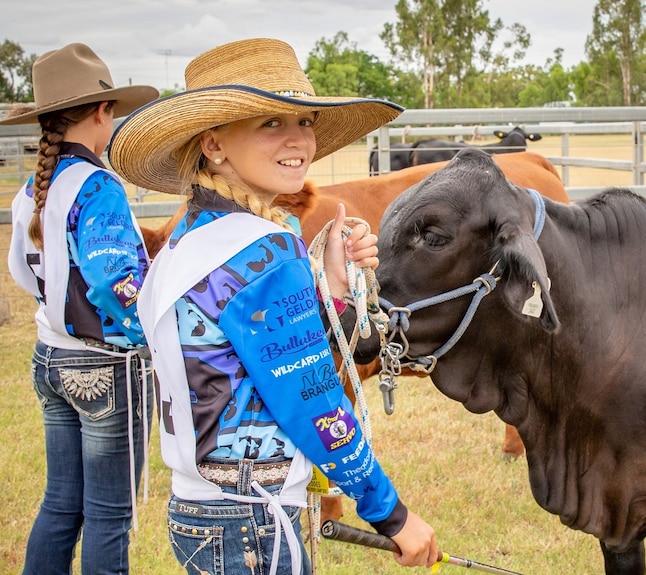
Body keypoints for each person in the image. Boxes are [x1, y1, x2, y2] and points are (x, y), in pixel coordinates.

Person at [107, 37, 438, 574]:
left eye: (305, 121)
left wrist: (328, 285)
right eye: (270, 123)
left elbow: (255, 363)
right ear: (214, 145)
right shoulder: (267, 252)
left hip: (199, 507)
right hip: (252, 523)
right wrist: (393, 515)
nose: (299, 140)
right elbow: (314, 401)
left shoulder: (187, 238)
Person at [1, 43, 159, 575]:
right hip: (104, 368)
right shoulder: (98, 187)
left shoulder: (34, 189)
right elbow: (116, 280)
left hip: (51, 358)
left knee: (61, 502)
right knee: (109, 513)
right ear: (101, 112)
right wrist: (151, 332)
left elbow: (22, 270)